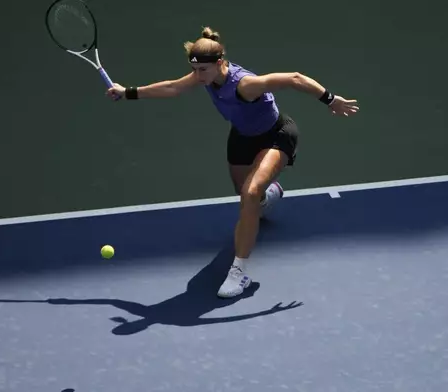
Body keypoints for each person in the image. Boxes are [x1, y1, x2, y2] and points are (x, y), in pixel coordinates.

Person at [106, 27, 359, 298]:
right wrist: (127, 91)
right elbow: (172, 87)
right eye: (195, 70)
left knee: (249, 195)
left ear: (219, 63)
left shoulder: (244, 85)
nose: (198, 76)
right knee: (248, 195)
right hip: (241, 137)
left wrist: (330, 99)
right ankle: (270, 194)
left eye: (203, 70)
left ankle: (239, 273)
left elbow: (294, 78)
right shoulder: (204, 76)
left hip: (276, 136)